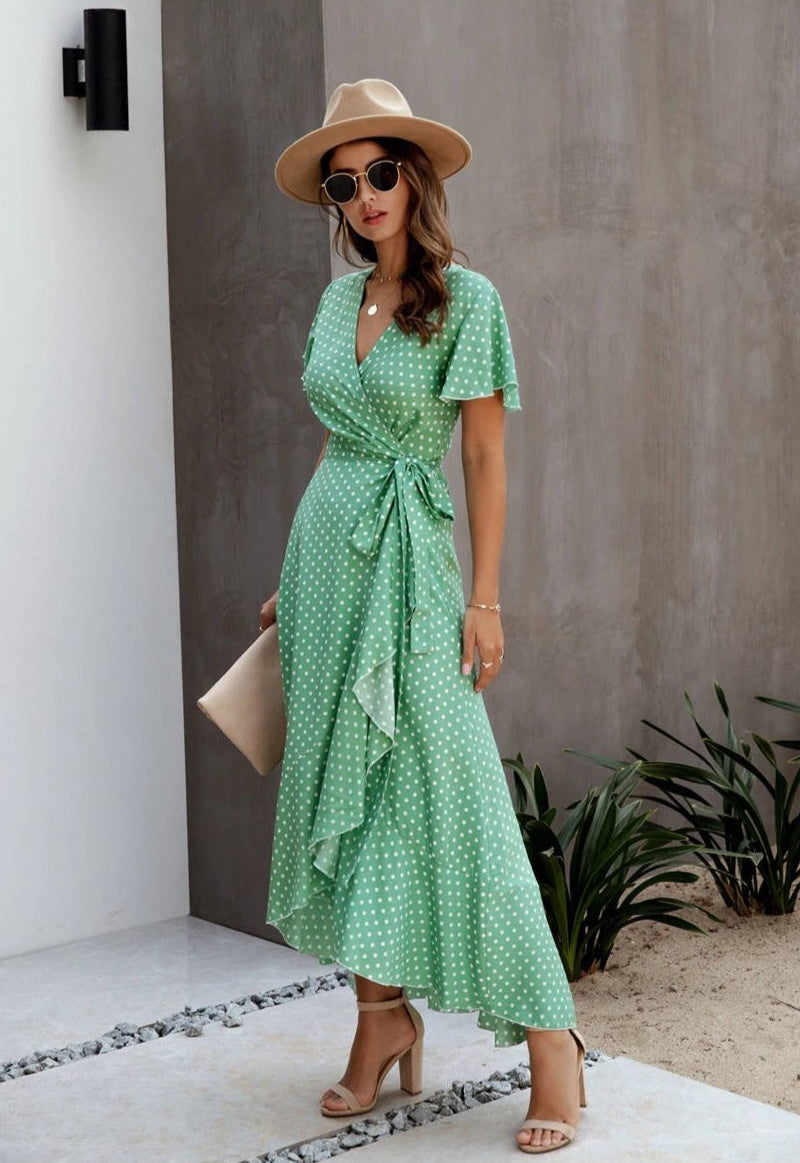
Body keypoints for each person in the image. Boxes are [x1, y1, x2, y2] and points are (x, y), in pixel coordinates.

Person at [261, 78, 587, 1154]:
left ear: (415, 179)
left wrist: (484, 597)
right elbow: (336, 434)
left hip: (412, 569)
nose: (363, 195)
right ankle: (381, 1022)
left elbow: (484, 454)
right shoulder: (332, 306)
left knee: (458, 800)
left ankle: (550, 1042)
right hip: (327, 567)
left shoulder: (467, 300)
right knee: (350, 804)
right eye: (342, 184)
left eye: (380, 173)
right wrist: (292, 574)